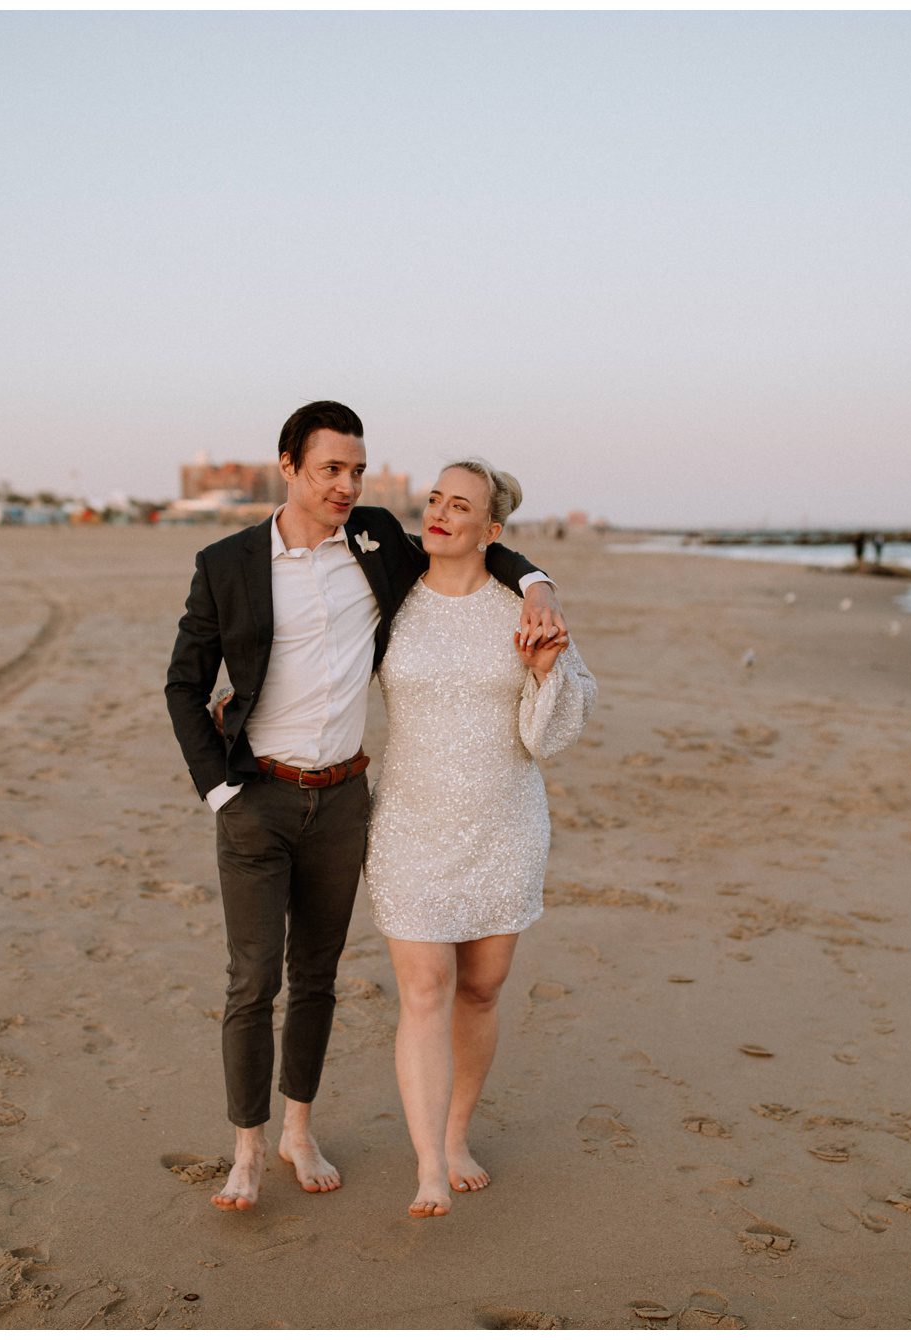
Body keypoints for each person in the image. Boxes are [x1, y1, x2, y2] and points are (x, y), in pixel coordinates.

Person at [164, 402, 565, 1212]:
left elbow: (476, 540)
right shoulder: (226, 563)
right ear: (288, 466)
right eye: (330, 470)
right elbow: (184, 683)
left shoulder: (376, 542)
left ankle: (298, 1130)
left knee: (317, 977)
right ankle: (246, 1150)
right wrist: (220, 789)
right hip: (255, 798)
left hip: (344, 799)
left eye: (356, 470)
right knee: (253, 980)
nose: (347, 486)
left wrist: (534, 582)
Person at [364, 459, 597, 1217]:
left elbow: (548, 737)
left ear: (490, 530)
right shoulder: (390, 598)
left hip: (504, 825)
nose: (438, 513)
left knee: (481, 989)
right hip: (409, 825)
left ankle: (457, 1133)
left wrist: (545, 672)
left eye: (459, 505)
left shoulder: (522, 609)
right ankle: (429, 1165)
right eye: (434, 499)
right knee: (424, 989)